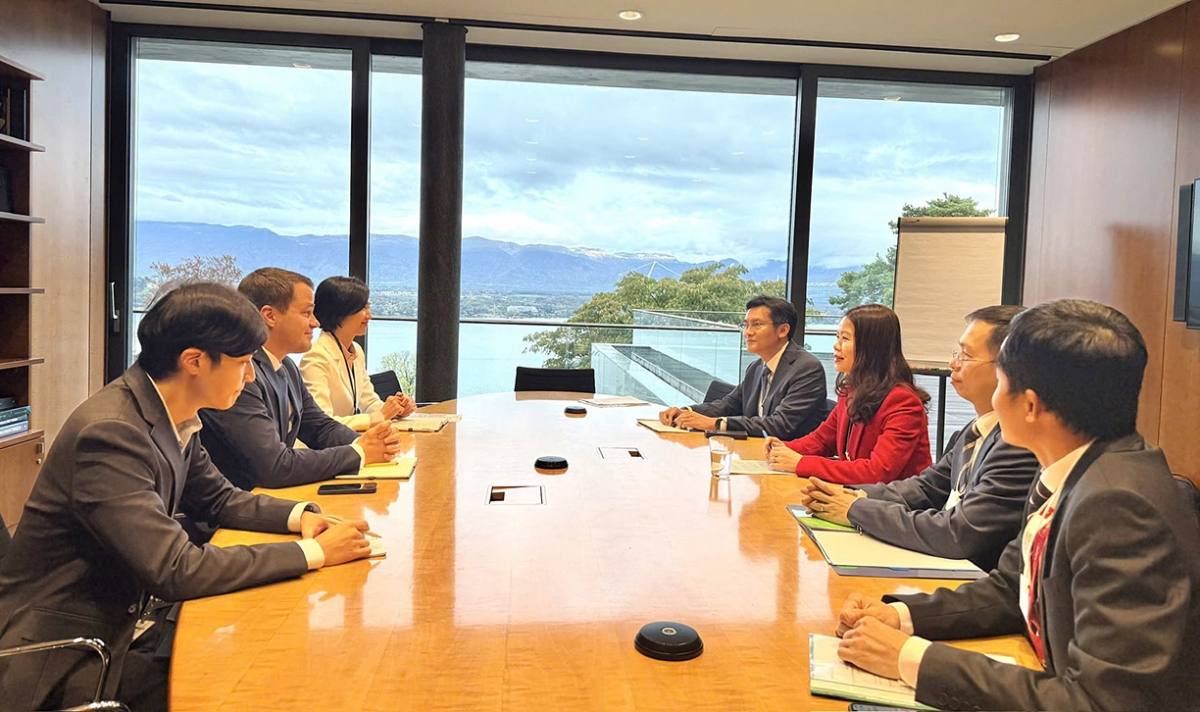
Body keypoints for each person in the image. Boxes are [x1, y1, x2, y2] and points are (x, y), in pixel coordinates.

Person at [0, 283, 374, 711]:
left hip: (127, 625)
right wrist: (313, 553)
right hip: (64, 661)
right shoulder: (111, 433)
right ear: (194, 361)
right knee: (249, 687)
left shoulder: (170, 414)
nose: (251, 376)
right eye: (243, 363)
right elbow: (175, 568)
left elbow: (220, 499)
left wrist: (303, 516)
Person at [834, 299, 1200, 711]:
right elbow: (1012, 590)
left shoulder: (1118, 508)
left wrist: (909, 658)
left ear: (1029, 405)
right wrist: (900, 617)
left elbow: (1101, 702)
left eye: (1001, 381)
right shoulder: (1070, 471)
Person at [800, 306, 1039, 571]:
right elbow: (924, 488)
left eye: (966, 356)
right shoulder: (974, 431)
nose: (953, 363)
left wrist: (855, 508)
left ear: (1008, 370)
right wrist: (847, 494)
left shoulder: (1020, 446)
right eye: (956, 353)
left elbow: (957, 532)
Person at [199, 268, 400, 490]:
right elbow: (274, 467)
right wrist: (359, 452)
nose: (315, 322)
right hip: (241, 511)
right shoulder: (239, 375)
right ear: (270, 315)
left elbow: (319, 427)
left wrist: (370, 442)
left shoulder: (286, 366)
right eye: (306, 313)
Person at [765, 303, 931, 485]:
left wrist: (800, 463)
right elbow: (822, 440)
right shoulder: (850, 390)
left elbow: (877, 472)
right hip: (856, 497)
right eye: (838, 337)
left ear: (871, 346)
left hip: (896, 505)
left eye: (845, 338)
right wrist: (783, 448)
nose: (836, 346)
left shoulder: (903, 403)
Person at [658, 295, 827, 439]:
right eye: (746, 325)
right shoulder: (756, 367)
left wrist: (715, 424)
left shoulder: (807, 368)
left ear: (783, 330)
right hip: (755, 452)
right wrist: (686, 412)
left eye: (757, 325)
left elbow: (780, 425)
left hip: (788, 460)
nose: (747, 332)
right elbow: (729, 405)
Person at [300, 276, 416, 431]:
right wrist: (380, 416)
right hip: (326, 449)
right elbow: (322, 422)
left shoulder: (356, 351)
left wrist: (396, 409)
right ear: (340, 312)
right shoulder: (316, 358)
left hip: (348, 441)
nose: (369, 316)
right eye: (363, 309)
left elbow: (368, 401)